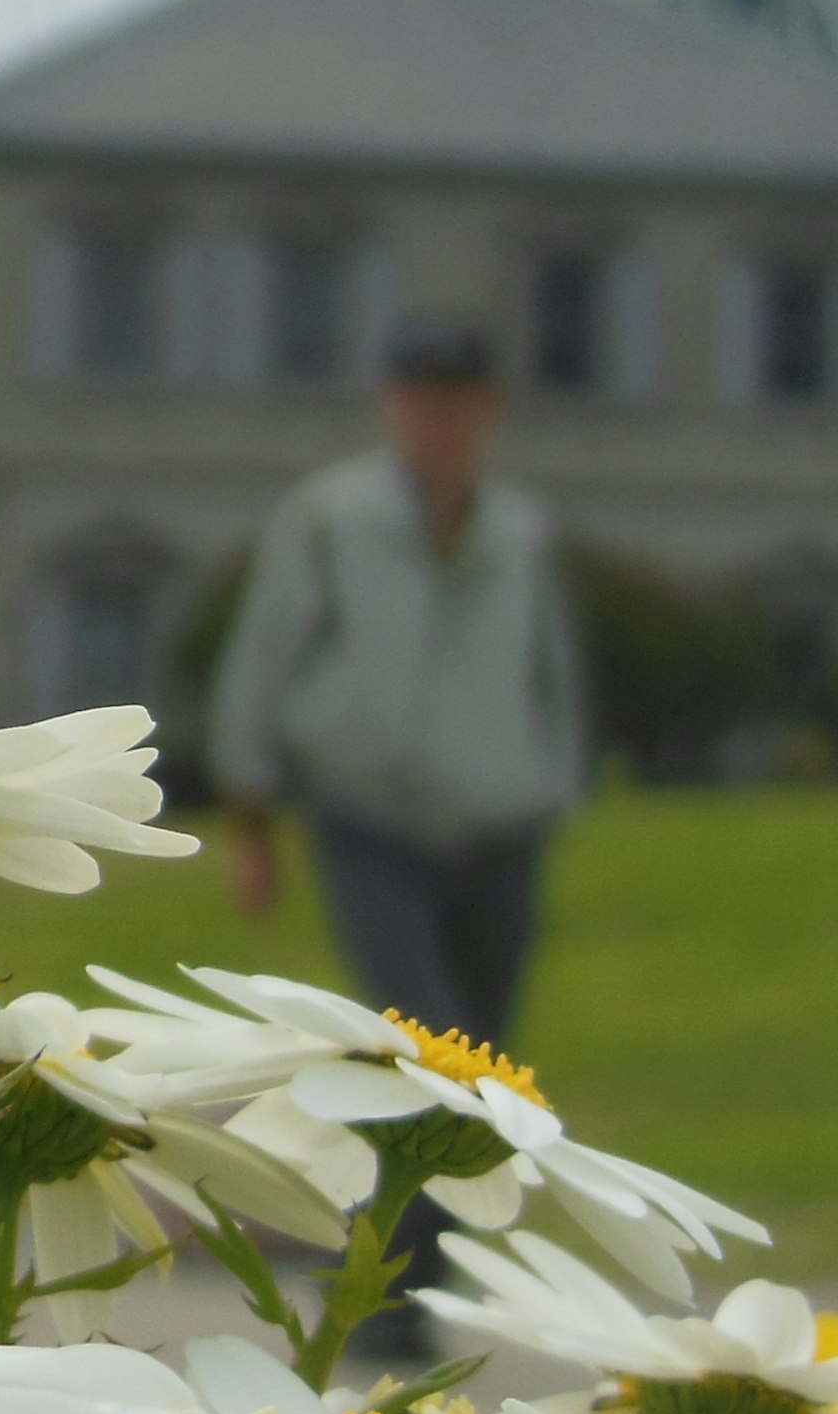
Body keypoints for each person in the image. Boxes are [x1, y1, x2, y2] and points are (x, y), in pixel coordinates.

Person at [210, 313, 586, 1049]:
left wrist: (555, 785)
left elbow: (551, 670)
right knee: (423, 1039)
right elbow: (264, 653)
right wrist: (251, 814)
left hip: (500, 825)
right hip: (371, 815)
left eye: (457, 397)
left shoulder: (518, 531)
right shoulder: (330, 517)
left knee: (485, 1053)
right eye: (421, 396)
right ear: (390, 404)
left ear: (489, 408)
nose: (438, 417)